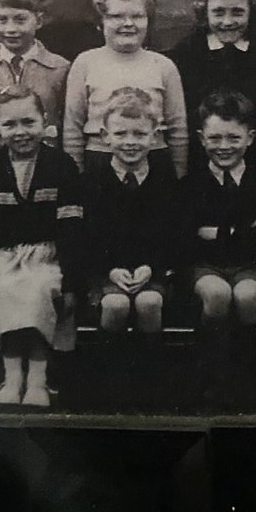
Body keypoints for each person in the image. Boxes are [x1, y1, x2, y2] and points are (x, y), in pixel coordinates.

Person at [0, 86, 83, 406]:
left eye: (29, 122)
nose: (21, 132)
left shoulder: (62, 165)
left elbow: (71, 229)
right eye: (10, 125)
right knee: (5, 288)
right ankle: (13, 377)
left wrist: (71, 283)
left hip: (49, 255)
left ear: (45, 121)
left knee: (41, 287)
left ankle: (39, 381)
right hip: (4, 257)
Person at [184, 90, 256, 406]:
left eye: (233, 138)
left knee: (247, 296)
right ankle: (213, 376)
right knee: (217, 294)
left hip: (251, 265)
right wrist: (243, 230)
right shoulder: (191, 184)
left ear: (250, 138)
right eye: (215, 138)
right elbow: (189, 236)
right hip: (204, 265)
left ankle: (245, 376)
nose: (224, 147)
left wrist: (217, 232)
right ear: (200, 138)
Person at [82, 88, 180, 368]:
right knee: (116, 305)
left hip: (153, 270)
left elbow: (172, 236)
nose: (130, 142)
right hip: (105, 272)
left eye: (139, 134)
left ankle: (149, 374)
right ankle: (109, 376)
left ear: (154, 135)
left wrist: (152, 267)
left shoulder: (165, 182)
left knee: (149, 302)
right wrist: (109, 270)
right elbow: (87, 236)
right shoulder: (92, 182)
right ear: (105, 136)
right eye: (121, 134)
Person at [62, 0, 188, 178]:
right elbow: (72, 128)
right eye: (117, 16)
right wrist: (75, 175)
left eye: (137, 16)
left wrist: (179, 174)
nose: (128, 24)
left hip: (154, 160)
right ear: (100, 22)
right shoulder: (85, 63)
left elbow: (178, 129)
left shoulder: (164, 66)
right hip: (99, 161)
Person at [168, 0, 256, 174]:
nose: (227, 22)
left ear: (251, 10)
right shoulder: (186, 54)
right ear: (204, 11)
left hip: (253, 161)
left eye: (237, 12)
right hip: (200, 161)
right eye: (218, 12)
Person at [0, 0, 70, 156]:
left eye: (20, 19)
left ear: (39, 20)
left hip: (45, 160)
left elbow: (65, 122)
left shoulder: (59, 68)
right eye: (2, 20)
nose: (11, 29)